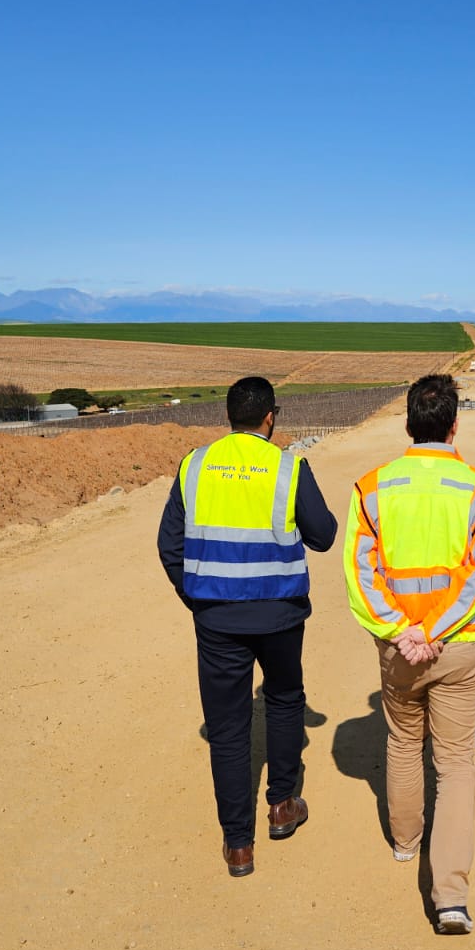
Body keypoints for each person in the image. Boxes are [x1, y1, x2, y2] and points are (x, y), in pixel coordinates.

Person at [157, 376, 337, 878]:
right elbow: (323, 535)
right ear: (271, 418)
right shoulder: (288, 466)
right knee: (282, 701)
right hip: (279, 614)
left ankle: (239, 844)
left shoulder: (194, 465)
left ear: (229, 416)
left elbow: (169, 545)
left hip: (216, 619)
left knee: (229, 729)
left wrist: (194, 594)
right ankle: (282, 805)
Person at [344, 373, 475, 935]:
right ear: (454, 424)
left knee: (404, 741)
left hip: (400, 649)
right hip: (458, 647)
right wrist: (434, 631)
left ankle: (406, 844)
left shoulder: (372, 487)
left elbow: (359, 574)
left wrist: (405, 631)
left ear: (408, 423)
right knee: (457, 763)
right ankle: (451, 898)